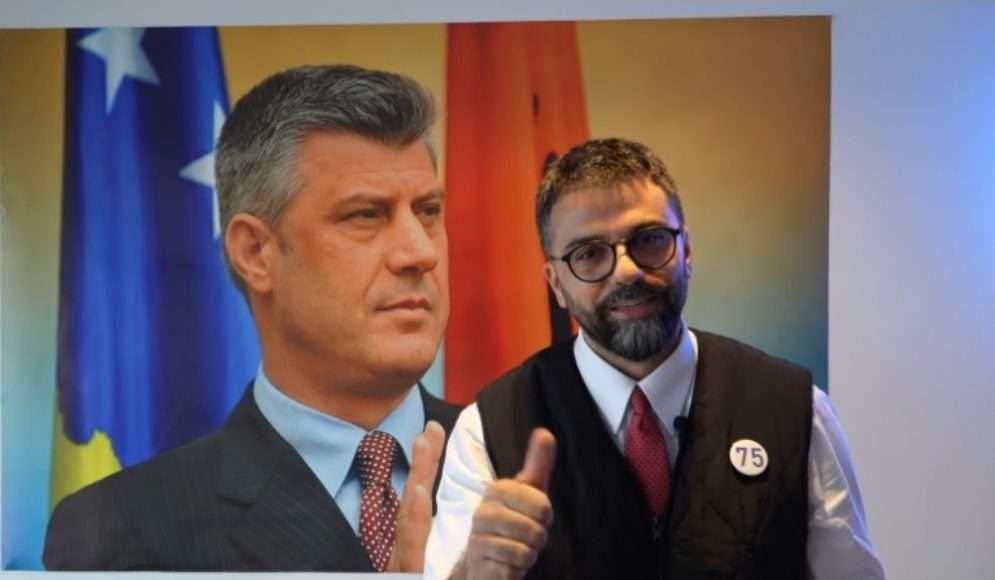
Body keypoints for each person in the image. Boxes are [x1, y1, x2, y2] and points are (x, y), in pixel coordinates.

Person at [44, 64, 460, 572]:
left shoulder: (532, 466)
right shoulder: (118, 532)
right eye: (366, 215)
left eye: (428, 212)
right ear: (256, 253)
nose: (420, 252)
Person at [425, 138, 885, 580]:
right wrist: (476, 571)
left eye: (649, 240)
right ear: (556, 283)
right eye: (590, 253)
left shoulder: (794, 411)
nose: (626, 271)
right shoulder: (488, 429)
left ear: (687, 251)